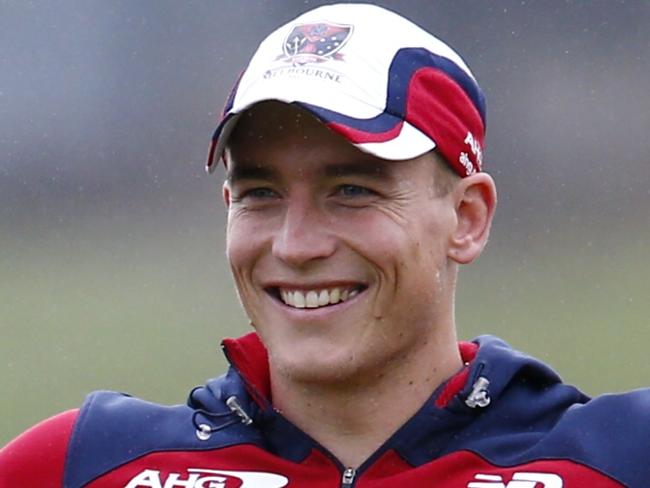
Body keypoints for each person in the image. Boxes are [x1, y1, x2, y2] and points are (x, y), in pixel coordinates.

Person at [1, 4, 648, 487]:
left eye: (352, 190)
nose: (297, 243)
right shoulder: (80, 465)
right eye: (261, 192)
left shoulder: (621, 458)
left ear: (467, 218)